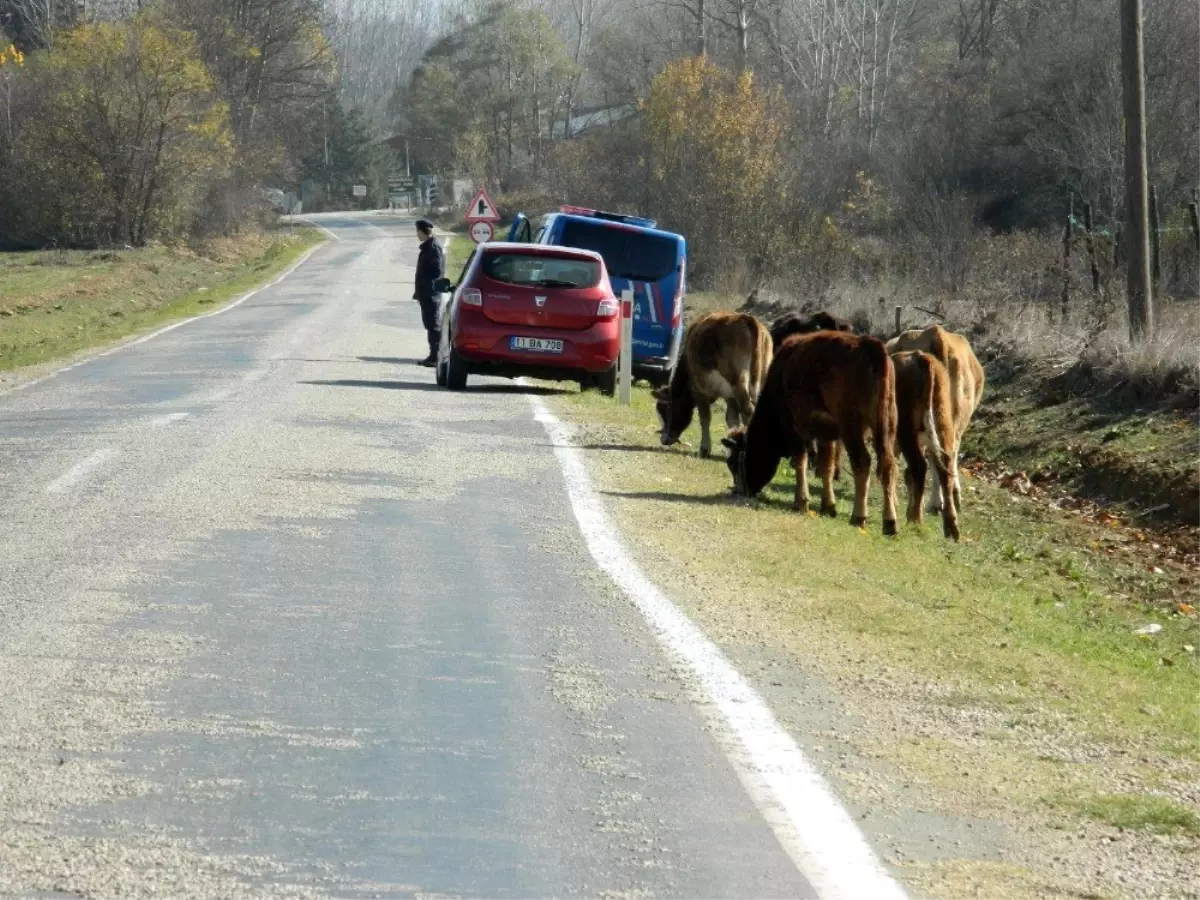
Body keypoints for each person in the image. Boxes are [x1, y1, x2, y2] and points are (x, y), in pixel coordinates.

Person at [413, 219, 445, 367]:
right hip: (426, 293)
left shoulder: (433, 248)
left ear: (423, 232)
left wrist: (426, 288)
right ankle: (433, 355)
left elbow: (436, 272)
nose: (417, 234)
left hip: (431, 294)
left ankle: (435, 356)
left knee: (433, 325)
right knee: (430, 324)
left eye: (418, 231)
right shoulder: (428, 247)